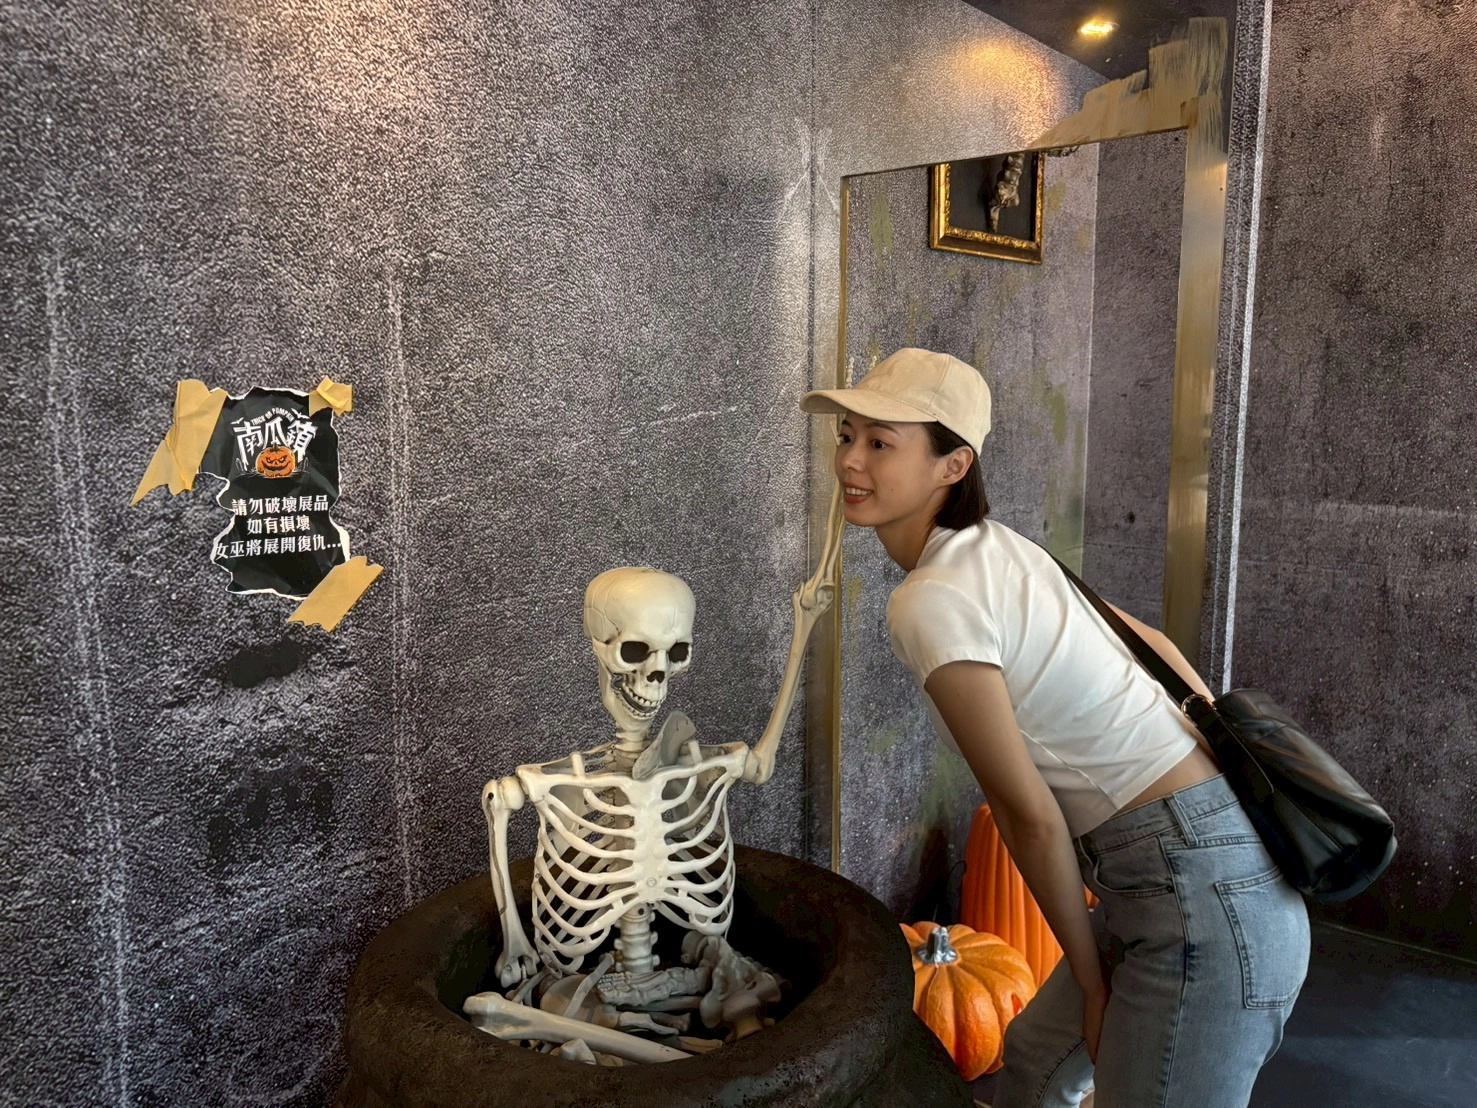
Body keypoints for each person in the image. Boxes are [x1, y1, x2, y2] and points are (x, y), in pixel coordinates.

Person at [800, 348, 1309, 1108]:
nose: (850, 460)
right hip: (1198, 863)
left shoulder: (931, 598)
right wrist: (1221, 786)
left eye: (881, 442)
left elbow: (1028, 814)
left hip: (1198, 896)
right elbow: (1156, 648)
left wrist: (1092, 985)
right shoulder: (1001, 549)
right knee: (1036, 1067)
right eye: (846, 435)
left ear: (952, 466)